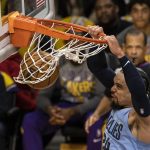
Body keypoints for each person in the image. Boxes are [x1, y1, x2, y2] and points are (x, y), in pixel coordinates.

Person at [86, 25, 150, 149]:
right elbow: (98, 68)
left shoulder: (140, 118)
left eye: (118, 86)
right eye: (114, 84)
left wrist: (120, 54)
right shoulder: (122, 97)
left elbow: (138, 91)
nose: (112, 89)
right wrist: (97, 42)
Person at [22, 58, 105, 150]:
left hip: (88, 108)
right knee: (30, 120)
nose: (75, 45)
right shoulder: (57, 63)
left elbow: (100, 98)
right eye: (71, 43)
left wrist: (73, 111)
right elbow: (42, 96)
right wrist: (50, 110)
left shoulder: (95, 61)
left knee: (95, 122)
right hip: (64, 107)